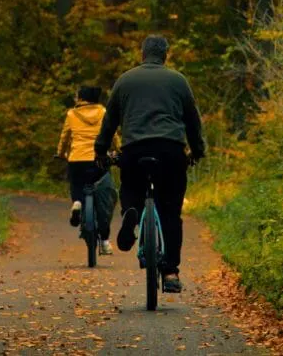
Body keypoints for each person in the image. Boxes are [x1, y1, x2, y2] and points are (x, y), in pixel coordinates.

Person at [93, 35, 205, 293]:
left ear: (142, 54)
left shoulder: (125, 80)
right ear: (165, 54)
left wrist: (101, 150)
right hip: (171, 150)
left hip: (134, 149)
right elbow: (192, 120)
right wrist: (197, 151)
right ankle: (170, 273)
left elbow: (110, 120)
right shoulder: (178, 80)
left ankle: (131, 215)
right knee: (170, 212)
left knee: (131, 188)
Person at [56, 85, 114, 255]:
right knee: (104, 196)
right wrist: (118, 149)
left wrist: (60, 153)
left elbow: (65, 136)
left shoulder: (72, 114)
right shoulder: (103, 112)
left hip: (77, 158)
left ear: (81, 98)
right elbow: (111, 133)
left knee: (77, 184)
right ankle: (104, 241)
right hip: (99, 158)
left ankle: (78, 202)